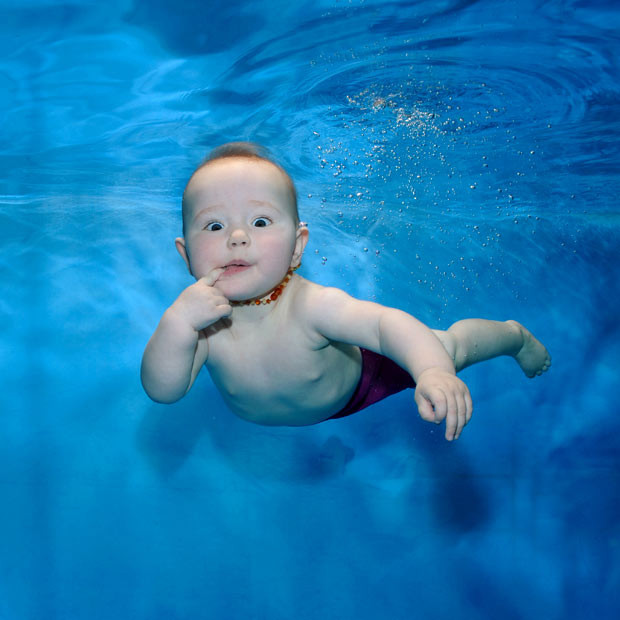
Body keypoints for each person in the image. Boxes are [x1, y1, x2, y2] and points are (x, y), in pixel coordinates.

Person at [141, 142, 551, 441]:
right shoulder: (201, 325)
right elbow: (164, 391)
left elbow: (385, 325)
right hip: (299, 415)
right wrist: (177, 322)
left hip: (360, 384)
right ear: (185, 253)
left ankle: (512, 336)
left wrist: (432, 371)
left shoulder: (313, 307)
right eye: (214, 226)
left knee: (448, 347)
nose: (236, 237)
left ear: (298, 246)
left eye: (261, 222)